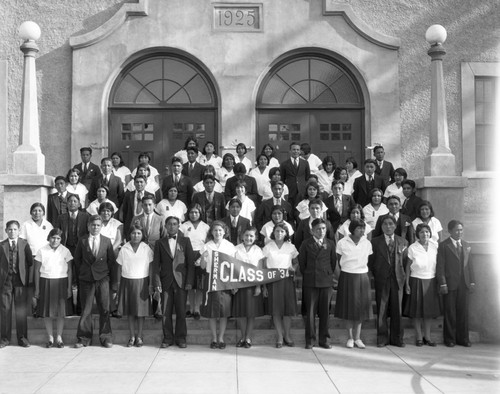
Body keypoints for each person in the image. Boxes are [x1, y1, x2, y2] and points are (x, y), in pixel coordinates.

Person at [74, 215, 116, 348]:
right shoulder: (82, 241)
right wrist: (81, 275)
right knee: (86, 309)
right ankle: (84, 338)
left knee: (104, 308)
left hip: (102, 279)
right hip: (86, 279)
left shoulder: (107, 241)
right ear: (88, 226)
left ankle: (106, 337)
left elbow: (111, 261)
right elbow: (77, 260)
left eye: (98, 225)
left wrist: (109, 279)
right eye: (93, 225)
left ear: (101, 226)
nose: (95, 227)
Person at [368, 216, 408, 347]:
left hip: (398, 280)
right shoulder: (374, 242)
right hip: (382, 279)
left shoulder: (403, 242)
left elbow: (406, 261)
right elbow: (371, 262)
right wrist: (377, 274)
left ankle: (397, 339)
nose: (388, 226)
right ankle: (382, 338)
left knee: (398, 310)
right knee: (382, 309)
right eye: (385, 224)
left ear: (395, 226)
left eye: (391, 224)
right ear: (381, 226)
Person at [198, 221, 237, 349]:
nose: (218, 233)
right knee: (212, 311)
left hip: (225, 280)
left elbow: (233, 266)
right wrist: (203, 258)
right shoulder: (207, 246)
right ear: (212, 232)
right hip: (211, 280)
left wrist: (233, 284)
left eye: (220, 230)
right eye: (215, 230)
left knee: (224, 311)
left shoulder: (230, 246)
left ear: (224, 232)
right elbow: (203, 267)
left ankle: (221, 338)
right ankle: (214, 338)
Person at [437, 220, 475, 347]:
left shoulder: (466, 245)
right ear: (450, 231)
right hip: (450, 284)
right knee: (450, 312)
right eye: (457, 230)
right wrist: (443, 283)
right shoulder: (443, 246)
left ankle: (463, 338)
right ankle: (450, 339)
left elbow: (470, 266)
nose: (459, 233)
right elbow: (440, 266)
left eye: (461, 230)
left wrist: (472, 281)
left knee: (463, 312)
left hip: (464, 284)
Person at [334, 219, 372, 349]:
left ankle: (358, 338)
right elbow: (338, 261)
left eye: (363, 228)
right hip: (347, 275)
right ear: (352, 229)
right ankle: (350, 337)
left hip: (362, 276)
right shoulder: (342, 242)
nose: (362, 231)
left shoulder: (367, 243)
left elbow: (369, 260)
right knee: (348, 308)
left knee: (360, 309)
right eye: (359, 228)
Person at [299, 218, 336, 349]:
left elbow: (333, 263)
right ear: (312, 230)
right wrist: (310, 274)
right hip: (311, 282)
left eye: (323, 229)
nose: (321, 231)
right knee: (310, 314)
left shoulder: (330, 243)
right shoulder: (305, 244)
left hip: (326, 283)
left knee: (325, 313)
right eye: (318, 229)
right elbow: (302, 264)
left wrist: (327, 275)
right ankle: (310, 340)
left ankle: (324, 340)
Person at [34, 228, 72, 348]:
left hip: (61, 281)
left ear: (61, 239)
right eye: (53, 237)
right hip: (46, 281)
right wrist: (37, 289)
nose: (55, 240)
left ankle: (59, 337)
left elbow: (70, 270)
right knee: (47, 312)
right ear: (49, 237)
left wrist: (69, 287)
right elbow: (36, 271)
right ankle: (50, 337)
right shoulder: (42, 250)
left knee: (61, 312)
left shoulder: (65, 251)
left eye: (58, 238)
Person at [117, 223, 154, 347]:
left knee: (140, 312)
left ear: (142, 235)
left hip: (142, 282)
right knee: (130, 312)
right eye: (133, 233)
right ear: (129, 234)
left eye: (138, 233)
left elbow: (151, 267)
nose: (136, 235)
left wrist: (151, 284)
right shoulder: (124, 248)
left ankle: (139, 336)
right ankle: (132, 336)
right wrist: (117, 285)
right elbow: (120, 266)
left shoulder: (146, 248)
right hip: (127, 281)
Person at [404, 223, 441, 347]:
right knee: (417, 311)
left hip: (430, 280)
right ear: (417, 235)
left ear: (430, 233)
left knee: (428, 312)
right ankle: (419, 337)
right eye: (421, 232)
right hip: (416, 280)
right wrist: (407, 283)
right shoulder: (412, 248)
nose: (425, 234)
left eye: (427, 232)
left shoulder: (435, 246)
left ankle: (428, 337)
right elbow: (408, 267)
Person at [262, 223, 298, 348]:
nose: (279, 234)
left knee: (287, 311)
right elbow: (264, 266)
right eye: (277, 231)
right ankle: (279, 336)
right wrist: (264, 285)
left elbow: (296, 262)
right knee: (276, 310)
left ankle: (287, 335)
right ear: (273, 232)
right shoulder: (268, 247)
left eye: (282, 231)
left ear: (286, 233)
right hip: (272, 280)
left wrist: (294, 268)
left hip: (287, 280)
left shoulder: (291, 247)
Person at [0, 220, 33, 348]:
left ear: (19, 231)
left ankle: (22, 338)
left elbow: (30, 262)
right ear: (6, 231)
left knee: (20, 310)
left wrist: (28, 280)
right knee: (5, 310)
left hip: (20, 281)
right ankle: (4, 339)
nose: (12, 232)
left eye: (15, 229)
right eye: (10, 229)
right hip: (5, 281)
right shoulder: (1, 245)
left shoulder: (24, 244)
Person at [55, 194, 89, 315]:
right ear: (66, 204)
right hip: (66, 250)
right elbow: (57, 234)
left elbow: (88, 235)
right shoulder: (61, 217)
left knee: (81, 279)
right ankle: (68, 309)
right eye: (70, 201)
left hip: (81, 252)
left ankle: (80, 308)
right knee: (66, 278)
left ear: (79, 203)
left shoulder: (86, 217)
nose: (72, 203)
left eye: (75, 201)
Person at [233, 227, 265, 348]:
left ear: (255, 237)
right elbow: (231, 268)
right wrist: (234, 285)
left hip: (252, 285)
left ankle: (248, 337)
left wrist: (258, 286)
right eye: (246, 235)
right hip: (239, 285)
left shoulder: (258, 250)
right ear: (242, 236)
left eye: (251, 236)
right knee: (241, 313)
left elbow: (260, 269)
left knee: (251, 313)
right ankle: (242, 337)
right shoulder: (235, 249)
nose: (248, 238)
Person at [20, 202, 54, 307]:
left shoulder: (48, 225)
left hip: (45, 258)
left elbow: (52, 241)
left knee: (43, 281)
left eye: (39, 210)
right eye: (34, 210)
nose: (37, 213)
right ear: (31, 212)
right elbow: (22, 242)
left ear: (43, 212)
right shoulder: (26, 225)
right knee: (31, 282)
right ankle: (32, 307)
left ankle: (42, 306)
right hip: (32, 258)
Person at [180, 204, 210, 320]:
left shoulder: (205, 226)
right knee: (190, 284)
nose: (194, 215)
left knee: (199, 284)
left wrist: (202, 256)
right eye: (192, 212)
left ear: (200, 214)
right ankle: (191, 308)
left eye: (196, 212)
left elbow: (207, 243)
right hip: (187, 255)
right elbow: (181, 242)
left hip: (201, 254)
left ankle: (197, 308)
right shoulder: (183, 226)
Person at [280, 142, 310, 206]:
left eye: (297, 150)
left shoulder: (305, 163)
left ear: (300, 151)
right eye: (294, 149)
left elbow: (307, 178)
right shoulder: (284, 164)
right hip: (290, 191)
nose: (295, 151)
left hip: (302, 192)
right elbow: (282, 179)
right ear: (290, 151)